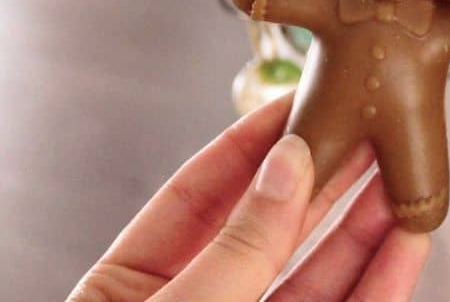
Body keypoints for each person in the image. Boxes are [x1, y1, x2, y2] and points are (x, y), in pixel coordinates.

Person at [67, 93, 430, 301]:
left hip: (401, 105)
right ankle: (420, 197)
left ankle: (423, 196)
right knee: (304, 163)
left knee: (412, 159)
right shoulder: (346, 1)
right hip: (329, 113)